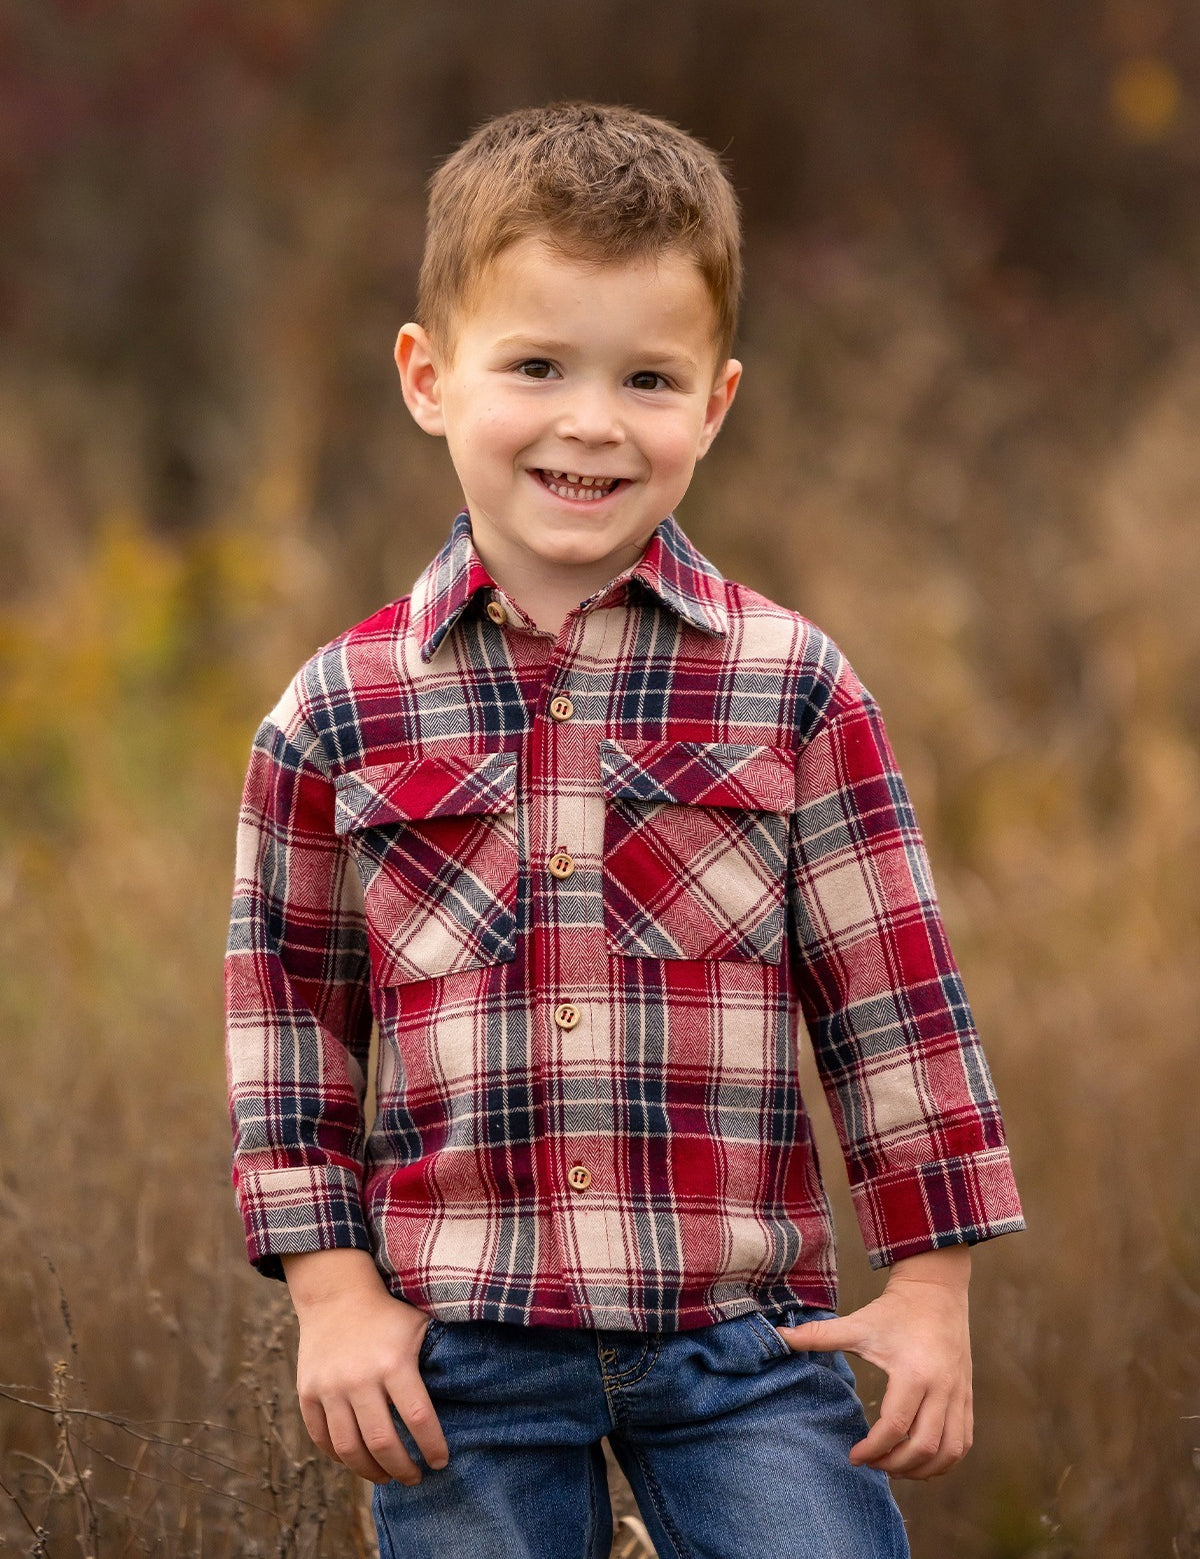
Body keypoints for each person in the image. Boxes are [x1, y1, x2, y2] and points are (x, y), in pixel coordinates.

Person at [224, 101, 1025, 1559]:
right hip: (458, 1351)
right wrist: (333, 1292)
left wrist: (933, 1286)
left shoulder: (788, 684)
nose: (591, 422)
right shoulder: (338, 710)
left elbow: (892, 1000)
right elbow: (289, 1018)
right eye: (536, 365)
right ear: (428, 377)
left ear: (714, 405)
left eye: (647, 378)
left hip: (745, 1347)